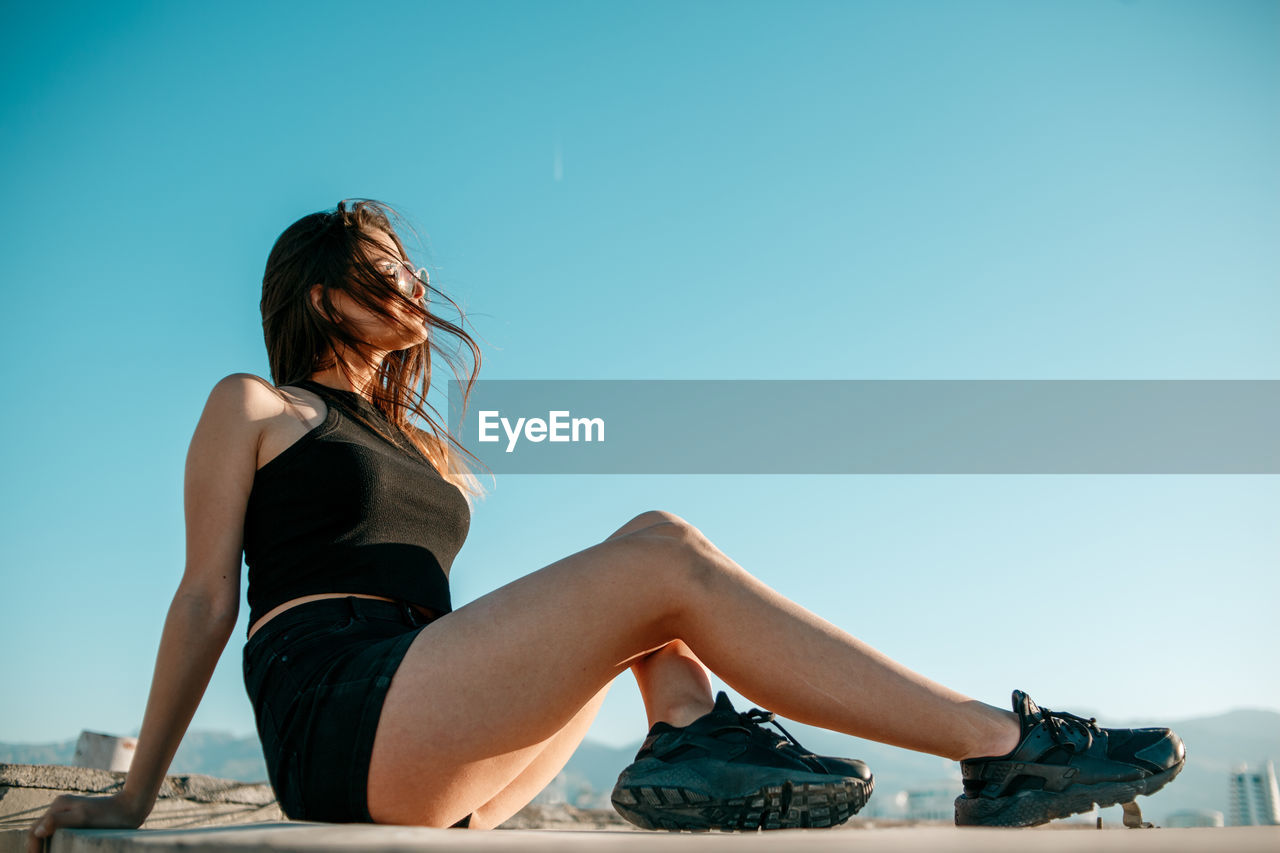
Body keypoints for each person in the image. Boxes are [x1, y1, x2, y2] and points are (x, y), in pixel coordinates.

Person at [27, 200, 1185, 849]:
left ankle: (685, 732)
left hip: (426, 730)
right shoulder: (254, 405)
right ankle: (997, 747)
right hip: (335, 710)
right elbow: (202, 598)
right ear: (322, 291)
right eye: (387, 274)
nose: (414, 292)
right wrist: (133, 794)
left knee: (648, 587)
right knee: (660, 548)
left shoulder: (417, 447)